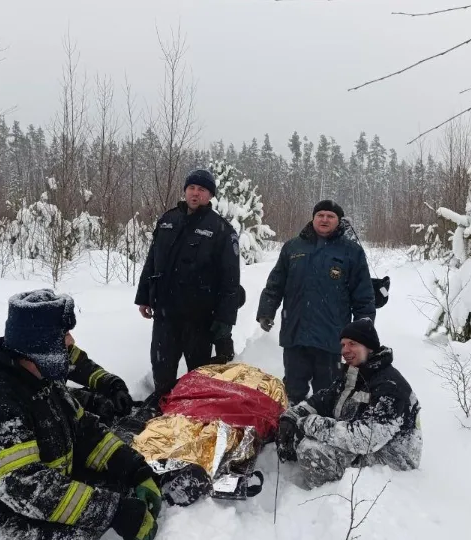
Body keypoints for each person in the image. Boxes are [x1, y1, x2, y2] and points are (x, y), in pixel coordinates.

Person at [0, 289, 162, 540]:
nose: (71, 341)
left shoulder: (39, 375)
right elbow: (30, 489)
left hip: (19, 486)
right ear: (40, 344)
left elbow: (84, 431)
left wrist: (134, 469)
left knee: (116, 489)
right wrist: (115, 512)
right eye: (63, 335)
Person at [276, 319, 422, 488]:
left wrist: (309, 424)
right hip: (365, 445)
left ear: (369, 347)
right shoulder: (355, 374)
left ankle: (326, 496)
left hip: (391, 460)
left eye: (352, 344)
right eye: (343, 345)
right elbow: (324, 400)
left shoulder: (391, 387)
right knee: (298, 434)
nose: (345, 350)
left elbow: (366, 439)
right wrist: (292, 417)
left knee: (312, 450)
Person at [135, 169, 241, 400]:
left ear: (210, 195)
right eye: (191, 188)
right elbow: (152, 260)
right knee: (162, 371)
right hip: (165, 314)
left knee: (198, 376)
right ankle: (161, 414)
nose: (195, 193)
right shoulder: (168, 220)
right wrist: (143, 297)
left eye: (201, 190)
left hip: (199, 318)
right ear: (185, 191)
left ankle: (192, 418)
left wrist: (225, 324)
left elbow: (231, 280)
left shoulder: (221, 230)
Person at [256, 200, 376, 404]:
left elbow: (363, 294)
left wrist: (364, 326)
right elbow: (275, 283)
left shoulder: (351, 251)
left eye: (330, 216)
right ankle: (291, 428)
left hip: (331, 337)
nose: (324, 219)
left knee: (327, 393)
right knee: (292, 391)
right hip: (295, 334)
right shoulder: (293, 247)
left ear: (339, 221)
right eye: (320, 215)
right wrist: (266, 311)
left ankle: (322, 431)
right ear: (313, 218)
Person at [65, 334, 134, 424]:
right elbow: (48, 395)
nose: (71, 340)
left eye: (65, 331)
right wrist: (86, 400)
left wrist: (113, 385)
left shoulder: (58, 347)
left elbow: (84, 368)